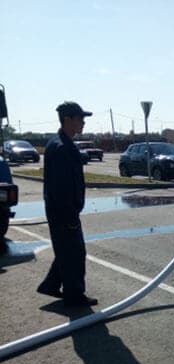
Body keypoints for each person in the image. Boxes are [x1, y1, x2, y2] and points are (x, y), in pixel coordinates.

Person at [37, 101, 98, 306]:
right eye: (80, 119)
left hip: (61, 211)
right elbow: (61, 187)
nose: (83, 123)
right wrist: (70, 216)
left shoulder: (60, 143)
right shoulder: (62, 147)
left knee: (66, 250)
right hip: (64, 212)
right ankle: (75, 295)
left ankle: (51, 285)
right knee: (75, 253)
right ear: (68, 120)